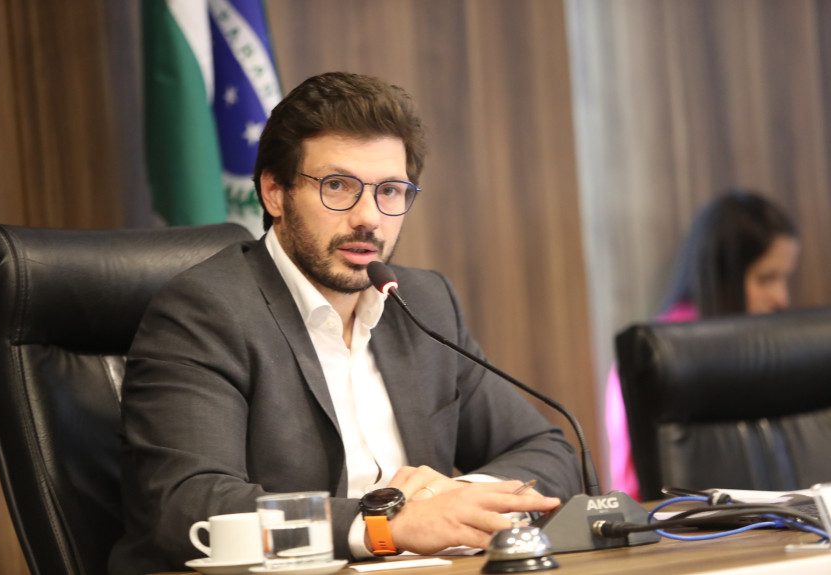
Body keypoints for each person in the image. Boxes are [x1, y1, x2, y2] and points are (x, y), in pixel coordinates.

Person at [109, 72, 583, 575]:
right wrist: (386, 525)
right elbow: (192, 505)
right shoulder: (204, 311)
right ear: (274, 192)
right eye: (337, 186)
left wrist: (456, 499)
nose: (369, 218)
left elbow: (547, 452)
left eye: (390, 191)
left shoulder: (423, 303)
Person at [606, 189, 800, 500]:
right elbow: (635, 486)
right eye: (766, 279)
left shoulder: (768, 350)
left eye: (784, 278)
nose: (782, 298)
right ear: (723, 276)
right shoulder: (659, 357)